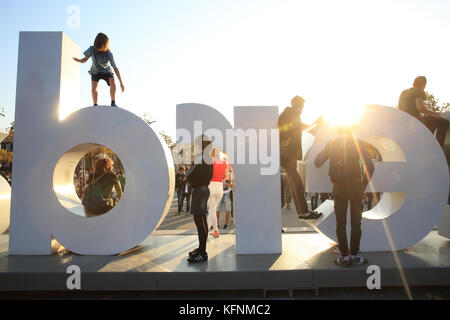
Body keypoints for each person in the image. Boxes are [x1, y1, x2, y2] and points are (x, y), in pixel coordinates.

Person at [315, 125, 375, 267]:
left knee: (340, 223)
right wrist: (363, 186)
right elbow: (371, 167)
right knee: (356, 223)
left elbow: (317, 163)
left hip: (339, 188)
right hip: (355, 187)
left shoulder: (332, 143)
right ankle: (355, 255)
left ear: (338, 130)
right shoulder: (358, 142)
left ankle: (344, 257)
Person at [278, 96, 323, 219]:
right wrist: (315, 125)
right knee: (297, 182)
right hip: (287, 153)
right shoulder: (293, 114)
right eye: (302, 106)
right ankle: (304, 212)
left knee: (294, 182)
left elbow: (298, 126)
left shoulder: (288, 114)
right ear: (300, 106)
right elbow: (296, 127)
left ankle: (302, 212)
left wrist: (313, 125)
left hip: (284, 153)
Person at [73, 33, 125, 107]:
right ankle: (95, 104)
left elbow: (115, 68)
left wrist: (121, 83)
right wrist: (79, 60)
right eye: (97, 48)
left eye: (100, 48)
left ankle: (113, 102)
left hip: (107, 71)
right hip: (95, 71)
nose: (98, 50)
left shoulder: (109, 54)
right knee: (94, 85)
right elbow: (84, 60)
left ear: (105, 46)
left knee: (112, 81)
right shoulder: (92, 49)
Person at [185, 135, 214, 263]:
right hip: (204, 189)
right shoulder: (208, 157)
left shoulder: (199, 158)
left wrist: (189, 178)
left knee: (199, 220)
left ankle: (202, 252)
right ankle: (202, 249)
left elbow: (188, 174)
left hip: (199, 191)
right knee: (202, 219)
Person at [398, 76, 449, 147]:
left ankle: (426, 139)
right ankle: (438, 147)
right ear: (423, 84)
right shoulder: (418, 91)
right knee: (444, 122)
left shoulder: (404, 92)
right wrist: (434, 115)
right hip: (415, 120)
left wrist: (433, 113)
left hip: (404, 120)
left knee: (430, 122)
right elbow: (421, 108)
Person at [207, 149, 229, 238]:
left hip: (211, 186)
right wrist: (221, 175)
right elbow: (227, 177)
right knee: (212, 210)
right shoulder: (224, 163)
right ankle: (207, 229)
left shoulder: (210, 161)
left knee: (212, 209)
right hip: (220, 187)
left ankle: (216, 229)